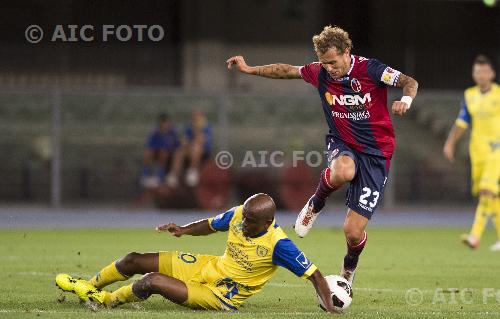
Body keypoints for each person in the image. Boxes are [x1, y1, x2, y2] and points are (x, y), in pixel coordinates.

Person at [227, 25, 418, 284]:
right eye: (324, 63)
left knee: (352, 232)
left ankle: (348, 271)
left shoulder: (370, 69)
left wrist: (405, 101)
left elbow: (410, 82)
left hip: (377, 152)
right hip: (343, 142)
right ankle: (316, 203)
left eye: (333, 62)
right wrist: (250, 69)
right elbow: (286, 71)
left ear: (346, 52)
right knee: (344, 171)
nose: (329, 68)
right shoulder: (320, 72)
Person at [55, 193, 337, 313]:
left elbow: (315, 275)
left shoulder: (280, 245)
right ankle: (89, 287)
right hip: (208, 267)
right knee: (134, 259)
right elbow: (212, 225)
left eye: (250, 222)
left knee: (151, 280)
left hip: (221, 295)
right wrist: (183, 230)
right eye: (244, 217)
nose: (243, 223)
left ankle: (105, 301)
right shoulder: (240, 214)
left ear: (267, 223)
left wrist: (331, 307)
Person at [443, 55, 500, 251]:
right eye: (477, 71)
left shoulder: (499, 94)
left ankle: (475, 236)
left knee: (487, 190)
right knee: (492, 195)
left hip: (497, 150)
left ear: (492, 73)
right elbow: (462, 122)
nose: (481, 75)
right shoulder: (469, 95)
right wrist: (450, 142)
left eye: (484, 71)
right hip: (478, 151)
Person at [166, 110, 213, 188]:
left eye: (197, 117)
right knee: (179, 152)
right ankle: (173, 175)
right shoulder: (188, 127)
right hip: (189, 148)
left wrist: (197, 129)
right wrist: (186, 143)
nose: (195, 119)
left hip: (203, 150)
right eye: (193, 117)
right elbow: (184, 141)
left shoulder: (207, 127)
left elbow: (201, 141)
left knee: (196, 147)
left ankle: (193, 171)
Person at [140, 113, 180, 189]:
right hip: (159, 152)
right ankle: (145, 174)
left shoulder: (173, 132)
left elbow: (176, 145)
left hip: (171, 154)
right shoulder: (155, 133)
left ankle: (161, 176)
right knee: (148, 152)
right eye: (164, 123)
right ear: (160, 124)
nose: (166, 125)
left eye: (167, 123)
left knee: (165, 153)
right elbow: (151, 145)